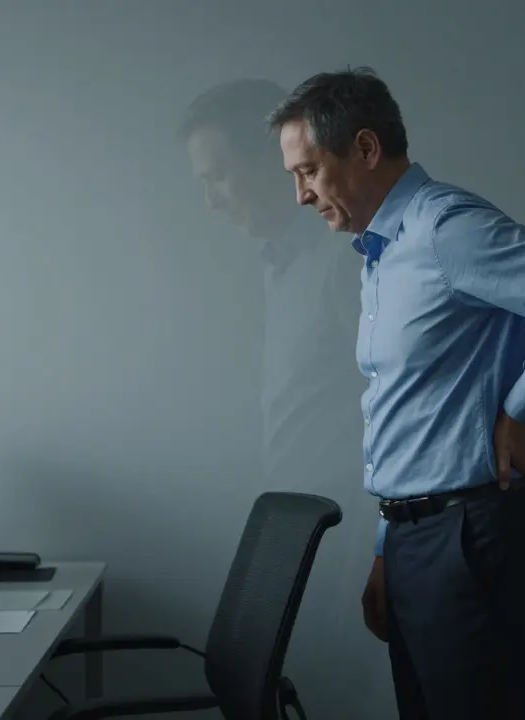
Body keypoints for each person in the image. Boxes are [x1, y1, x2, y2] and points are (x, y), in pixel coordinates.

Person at [266, 67, 525, 719]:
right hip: (419, 537)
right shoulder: (382, 254)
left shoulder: (445, 231)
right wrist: (387, 548)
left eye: (309, 171)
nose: (300, 195)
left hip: (473, 532)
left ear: (365, 148)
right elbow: (408, 414)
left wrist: (521, 409)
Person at [179, 80, 380, 717]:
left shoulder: (345, 260)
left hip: (346, 547)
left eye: (219, 177)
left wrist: (374, 554)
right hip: (299, 543)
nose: (211, 200)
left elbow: (396, 409)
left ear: (276, 163)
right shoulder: (279, 265)